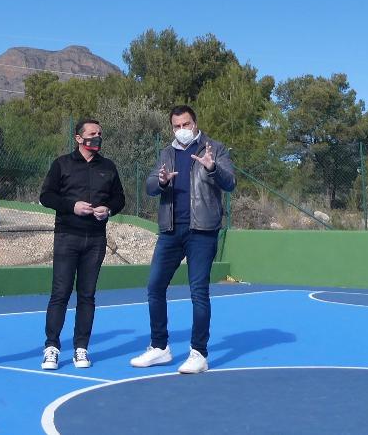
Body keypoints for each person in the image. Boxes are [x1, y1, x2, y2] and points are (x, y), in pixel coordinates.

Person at [129, 105, 235, 374]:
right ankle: (160, 348)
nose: (182, 130)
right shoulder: (167, 152)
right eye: (176, 126)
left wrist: (212, 168)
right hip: (170, 230)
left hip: (202, 230)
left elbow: (230, 182)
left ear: (195, 124)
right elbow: (151, 186)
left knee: (198, 292)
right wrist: (161, 181)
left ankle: (199, 353)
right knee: (154, 287)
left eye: (186, 124)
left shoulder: (215, 148)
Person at [38, 119, 126, 370]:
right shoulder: (62, 164)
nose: (96, 137)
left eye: (99, 133)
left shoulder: (108, 167)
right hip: (67, 236)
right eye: (91, 134)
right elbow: (46, 196)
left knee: (87, 295)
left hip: (96, 239)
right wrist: (71, 206)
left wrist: (108, 209)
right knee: (61, 293)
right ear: (78, 138)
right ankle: (52, 347)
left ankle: (81, 348)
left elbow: (119, 198)